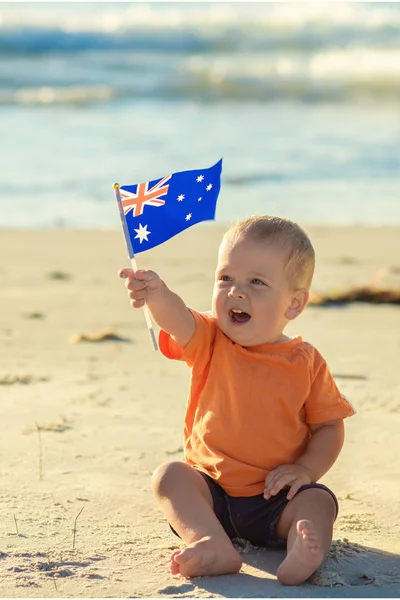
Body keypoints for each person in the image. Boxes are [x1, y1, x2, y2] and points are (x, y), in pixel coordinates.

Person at [118, 215, 355, 586]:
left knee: (318, 501)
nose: (236, 291)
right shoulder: (210, 338)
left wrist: (306, 471)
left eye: (257, 282)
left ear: (294, 304)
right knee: (170, 477)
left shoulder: (306, 361)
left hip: (277, 498)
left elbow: (328, 426)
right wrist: (157, 295)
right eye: (225, 278)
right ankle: (210, 541)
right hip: (211, 493)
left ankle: (304, 545)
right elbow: (178, 319)